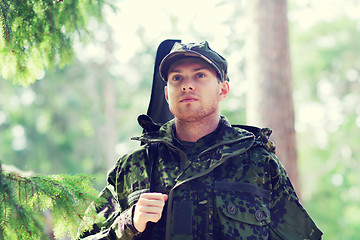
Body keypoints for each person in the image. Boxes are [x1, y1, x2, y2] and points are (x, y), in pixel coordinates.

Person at [78, 41, 322, 240]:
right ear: (166, 93)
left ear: (223, 90)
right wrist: (129, 222)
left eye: (200, 75)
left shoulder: (257, 163)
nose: (187, 86)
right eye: (177, 78)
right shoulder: (133, 167)